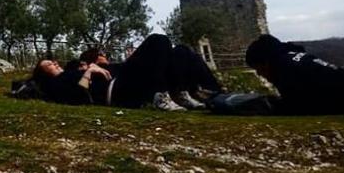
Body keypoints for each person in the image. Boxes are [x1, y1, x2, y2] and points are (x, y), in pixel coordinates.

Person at [32, 34, 222, 111]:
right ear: (44, 74)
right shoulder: (57, 83)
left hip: (123, 75)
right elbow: (78, 96)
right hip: (118, 89)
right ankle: (160, 96)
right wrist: (89, 72)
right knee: (158, 40)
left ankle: (212, 94)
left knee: (181, 51)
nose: (55, 63)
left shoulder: (71, 70)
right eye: (49, 64)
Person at [245, 34, 344, 115]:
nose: (259, 74)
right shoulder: (292, 57)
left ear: (266, 62)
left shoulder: (285, 69)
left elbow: (296, 107)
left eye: (258, 69)